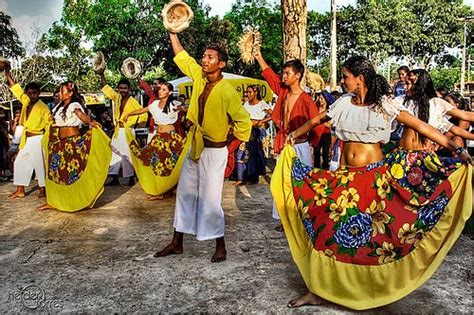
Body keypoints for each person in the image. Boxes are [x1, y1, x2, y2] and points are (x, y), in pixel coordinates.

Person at [271, 56, 472, 309]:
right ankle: (317, 290)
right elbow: (317, 121)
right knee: (326, 234)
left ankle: (371, 291)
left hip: (373, 179)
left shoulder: (384, 104)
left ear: (360, 78)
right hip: (344, 179)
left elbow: (423, 127)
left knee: (373, 241)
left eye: (345, 76)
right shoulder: (343, 102)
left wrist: (456, 149)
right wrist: (294, 135)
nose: (343, 81)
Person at [154, 32, 251, 263]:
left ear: (221, 64)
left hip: (215, 152)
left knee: (211, 199)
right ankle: (177, 242)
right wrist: (172, 32)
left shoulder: (228, 91)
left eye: (209, 57)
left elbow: (244, 123)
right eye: (204, 57)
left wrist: (228, 143)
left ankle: (220, 245)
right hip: (194, 147)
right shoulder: (199, 77)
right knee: (184, 194)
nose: (204, 60)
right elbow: (181, 55)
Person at [253, 50, 319, 226]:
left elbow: (316, 126)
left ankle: (303, 218)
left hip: (301, 146)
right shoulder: (283, 92)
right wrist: (259, 56)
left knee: (301, 183)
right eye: (283, 73)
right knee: (282, 182)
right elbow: (270, 76)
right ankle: (285, 219)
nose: (283, 76)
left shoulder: (307, 100)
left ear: (297, 76)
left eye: (287, 73)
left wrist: (316, 149)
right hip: (284, 146)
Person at [36, 81, 111, 211]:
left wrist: (90, 122)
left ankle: (77, 200)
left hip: (72, 143)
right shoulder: (58, 106)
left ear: (70, 93)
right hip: (59, 144)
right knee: (56, 174)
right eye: (59, 91)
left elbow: (80, 114)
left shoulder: (74, 105)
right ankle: (53, 201)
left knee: (73, 173)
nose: (59, 93)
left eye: (62, 91)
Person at [123, 82, 189, 200]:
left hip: (170, 138)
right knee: (150, 160)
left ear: (169, 92)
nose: (160, 91)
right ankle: (161, 190)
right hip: (158, 138)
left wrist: (187, 111)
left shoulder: (173, 104)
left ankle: (165, 192)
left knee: (169, 165)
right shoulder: (154, 104)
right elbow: (142, 110)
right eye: (160, 89)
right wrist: (129, 114)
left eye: (164, 90)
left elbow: (185, 108)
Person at [3, 65, 52, 199]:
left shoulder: (44, 108)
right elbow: (16, 88)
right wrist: (7, 72)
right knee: (19, 162)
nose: (31, 95)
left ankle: (43, 189)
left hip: (38, 138)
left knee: (39, 164)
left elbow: (49, 125)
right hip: (26, 138)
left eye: (34, 93)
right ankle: (20, 189)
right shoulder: (25, 102)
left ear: (39, 93)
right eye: (29, 93)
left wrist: (48, 141)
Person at [96, 71, 147, 186]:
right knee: (114, 152)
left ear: (128, 89)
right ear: (118, 89)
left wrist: (140, 124)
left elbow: (143, 113)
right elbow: (106, 89)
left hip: (128, 131)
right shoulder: (118, 98)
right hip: (118, 131)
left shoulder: (133, 101)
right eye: (120, 88)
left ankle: (130, 178)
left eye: (125, 88)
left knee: (127, 154)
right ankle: (114, 177)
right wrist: (101, 74)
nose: (122, 90)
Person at [234, 85, 272, 185]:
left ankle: (253, 177)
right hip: (247, 131)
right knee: (242, 153)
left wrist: (262, 121)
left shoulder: (262, 104)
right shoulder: (246, 104)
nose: (248, 94)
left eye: (250, 92)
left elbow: (273, 115)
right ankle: (241, 178)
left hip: (257, 132)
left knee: (255, 154)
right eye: (247, 92)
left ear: (256, 92)